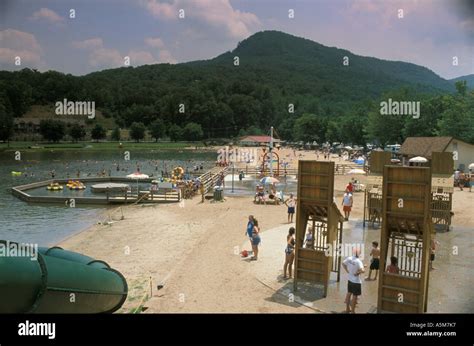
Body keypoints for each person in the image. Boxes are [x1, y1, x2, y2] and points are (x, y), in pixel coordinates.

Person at [342, 249, 364, 313]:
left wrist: (347, 270)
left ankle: (347, 309)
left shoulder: (349, 258)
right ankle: (353, 311)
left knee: (349, 293)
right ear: (359, 254)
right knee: (355, 296)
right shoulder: (359, 261)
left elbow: (343, 263)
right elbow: (363, 270)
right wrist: (357, 273)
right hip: (356, 282)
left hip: (350, 280)